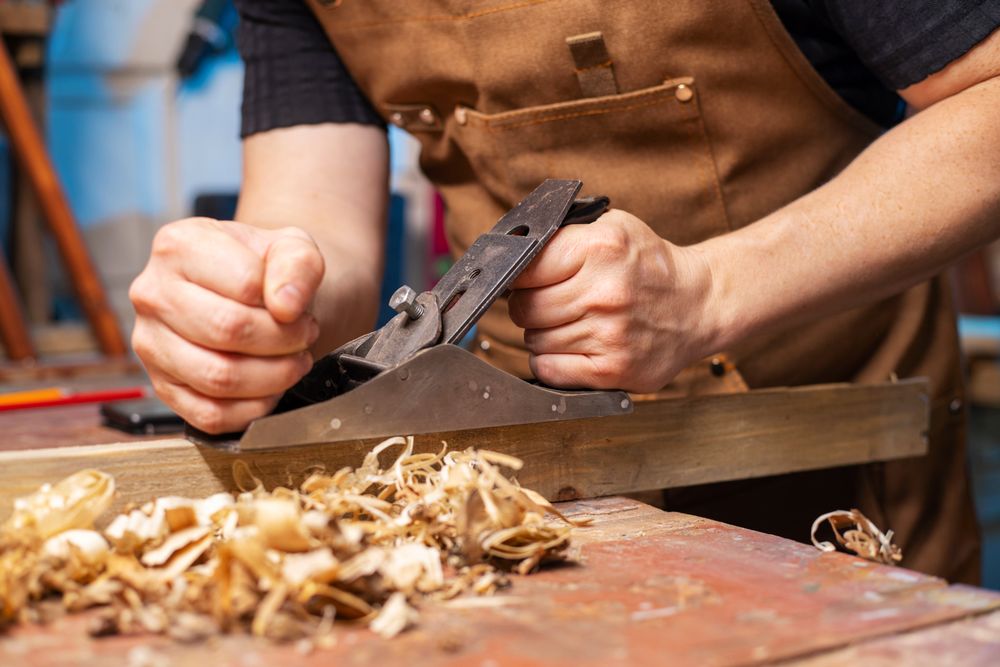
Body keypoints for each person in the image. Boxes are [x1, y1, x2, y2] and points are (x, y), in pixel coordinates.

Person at [129, 1, 1000, 583]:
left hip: (832, 488)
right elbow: (314, 219)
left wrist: (711, 289)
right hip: (514, 497)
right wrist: (257, 308)